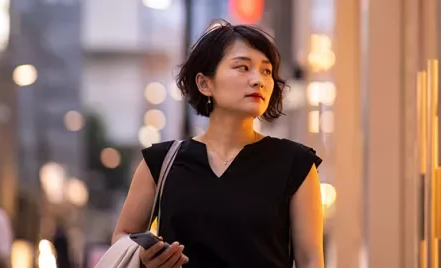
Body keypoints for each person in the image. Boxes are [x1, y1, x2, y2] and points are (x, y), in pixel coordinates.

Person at [112, 20, 325, 268]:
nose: (258, 80)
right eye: (242, 67)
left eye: (266, 71)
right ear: (205, 84)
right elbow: (122, 236)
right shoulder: (162, 162)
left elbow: (310, 260)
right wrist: (144, 256)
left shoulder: (295, 164)